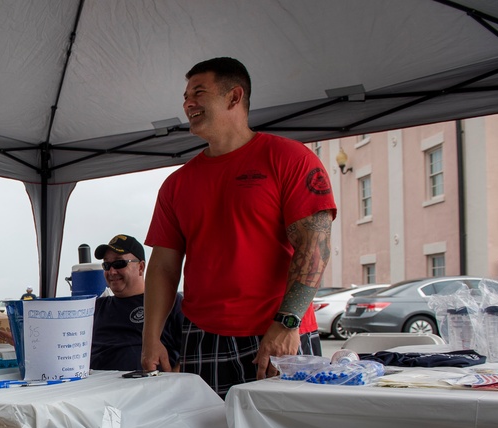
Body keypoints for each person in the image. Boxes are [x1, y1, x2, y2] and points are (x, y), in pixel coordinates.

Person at [141, 57, 336, 397]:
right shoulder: (177, 183)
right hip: (203, 337)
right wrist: (151, 338)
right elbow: (162, 267)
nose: (188, 103)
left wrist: (287, 323)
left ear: (234, 97)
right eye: (185, 96)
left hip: (279, 332)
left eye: (198, 92)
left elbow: (314, 246)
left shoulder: (289, 158)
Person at [89, 234, 182, 371]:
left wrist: (173, 383)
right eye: (107, 265)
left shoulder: (169, 302)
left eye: (119, 263)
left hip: (148, 388)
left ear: (141, 267)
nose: (112, 271)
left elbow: (191, 352)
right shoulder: (95, 308)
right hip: (95, 387)